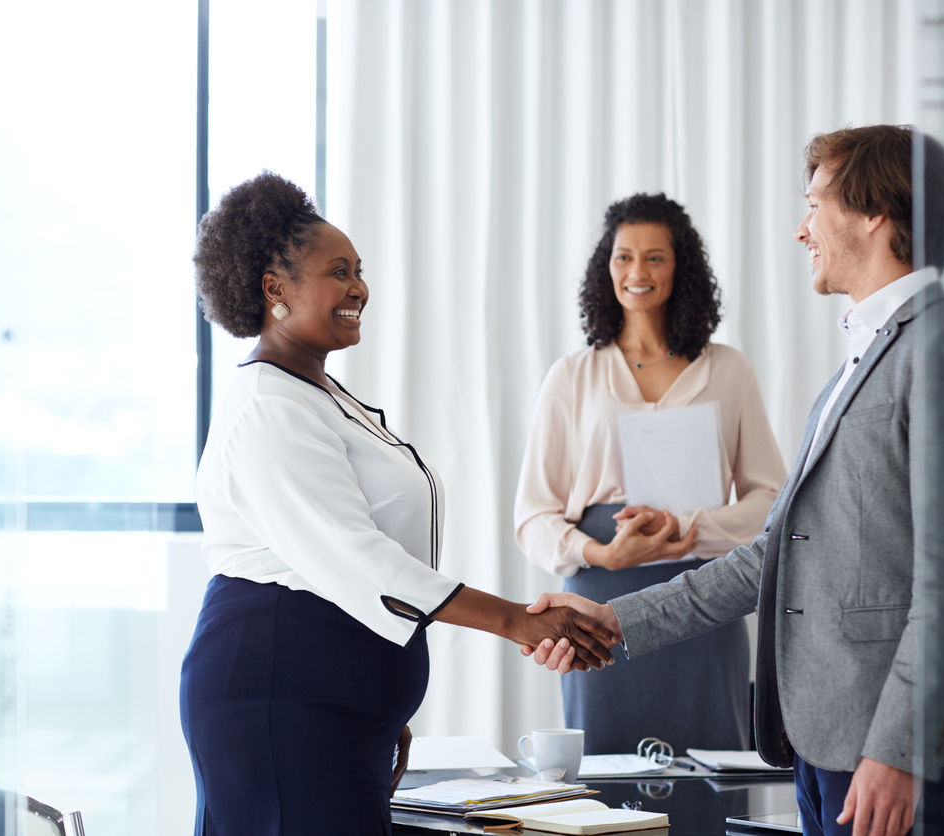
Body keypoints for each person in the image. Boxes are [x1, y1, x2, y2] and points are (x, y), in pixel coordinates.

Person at [525, 126, 944, 836]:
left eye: (815, 204)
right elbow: (775, 553)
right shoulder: (862, 357)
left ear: (875, 212)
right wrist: (615, 617)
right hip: (823, 742)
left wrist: (898, 750)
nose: (800, 229)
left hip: (884, 756)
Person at [178, 172, 617, 836]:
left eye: (360, 270)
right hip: (279, 705)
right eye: (338, 272)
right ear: (276, 289)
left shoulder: (319, 397)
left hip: (330, 709)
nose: (359, 288)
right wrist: (518, 621)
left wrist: (381, 710)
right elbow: (364, 564)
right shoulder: (269, 410)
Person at [513, 193, 787, 753]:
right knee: (606, 773)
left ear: (680, 265)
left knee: (710, 771)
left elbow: (773, 501)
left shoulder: (728, 370)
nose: (637, 271)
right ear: (605, 267)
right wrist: (603, 555)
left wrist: (689, 529)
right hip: (599, 599)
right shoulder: (572, 376)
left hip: (706, 595)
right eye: (623, 257)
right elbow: (533, 515)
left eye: (655, 257)